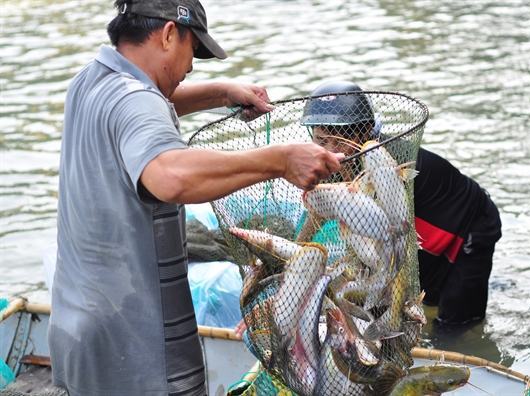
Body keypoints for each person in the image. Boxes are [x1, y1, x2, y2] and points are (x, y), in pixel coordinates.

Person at [48, 1, 343, 395]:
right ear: (169, 34)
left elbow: (148, 106)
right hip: (137, 342)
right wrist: (279, 160)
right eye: (193, 51)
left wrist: (222, 93)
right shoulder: (136, 99)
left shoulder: (90, 81)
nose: (191, 67)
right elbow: (169, 175)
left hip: (77, 331)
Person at [300, 81, 502, 326]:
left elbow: (383, 238)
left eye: (338, 140)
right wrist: (297, 249)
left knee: (453, 326)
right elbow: (321, 211)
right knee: (426, 299)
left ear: (364, 132)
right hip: (420, 237)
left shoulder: (383, 161)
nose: (330, 150)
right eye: (321, 141)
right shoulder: (334, 162)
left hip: (469, 226)